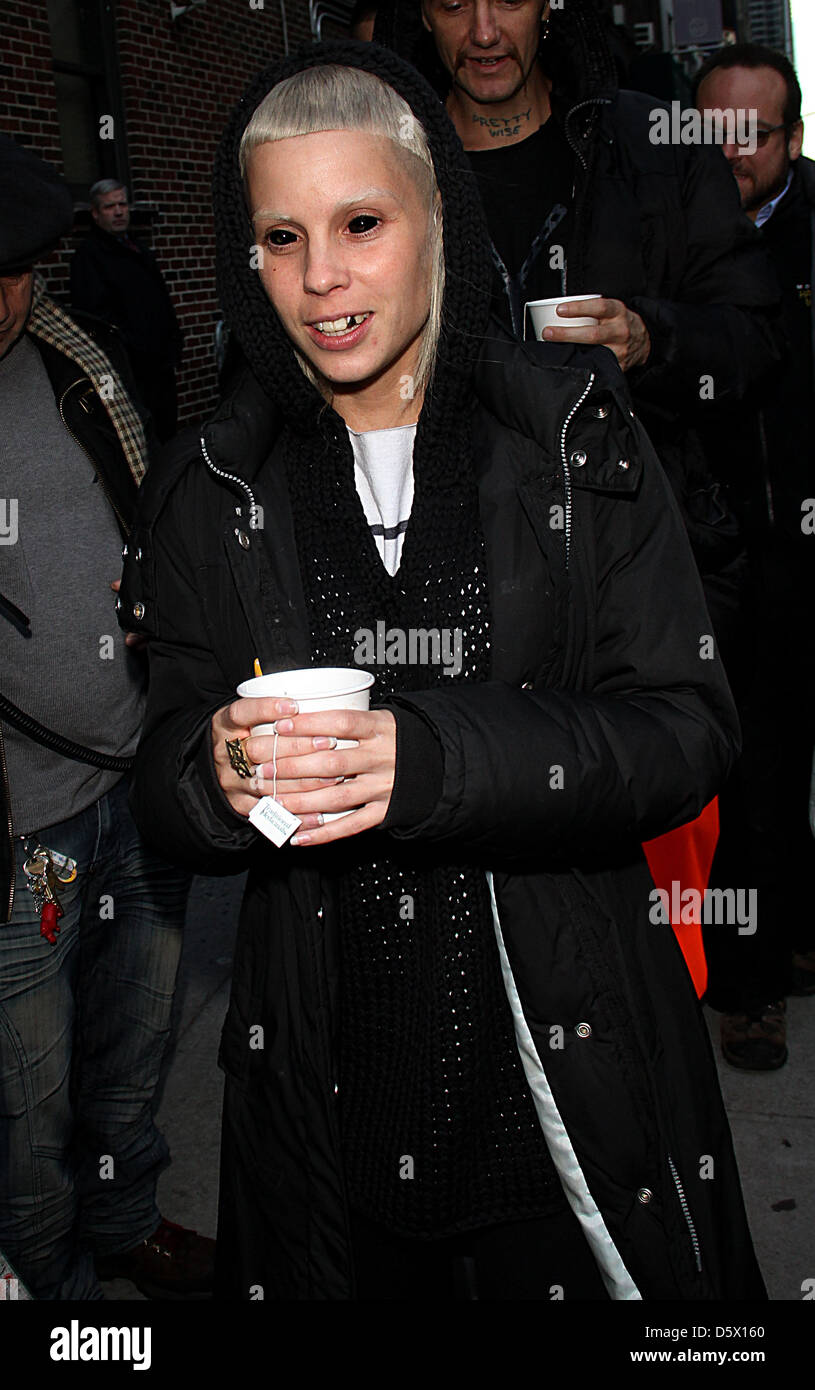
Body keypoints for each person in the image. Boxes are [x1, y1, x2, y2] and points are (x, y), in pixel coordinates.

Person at [120, 41, 765, 1301]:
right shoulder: (215, 483)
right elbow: (163, 784)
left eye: (361, 222)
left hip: (564, 1081)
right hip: (328, 1087)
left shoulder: (570, 430)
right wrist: (214, 767)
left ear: (438, 222)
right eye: (279, 236)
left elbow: (686, 727)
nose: (321, 278)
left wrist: (436, 759)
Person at [373, 0, 782, 652]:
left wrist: (651, 338)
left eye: (508, 0)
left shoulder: (657, 144)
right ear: (421, 14)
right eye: (453, 3)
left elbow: (756, 339)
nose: (482, 31)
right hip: (465, 594)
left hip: (653, 584)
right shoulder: (383, 164)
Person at [0, 136, 212, 1299]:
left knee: (132, 1046)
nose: (1, 296)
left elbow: (143, 506)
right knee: (27, 1105)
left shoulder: (73, 353)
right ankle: (49, 1286)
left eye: (17, 267)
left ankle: (126, 1218)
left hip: (137, 778)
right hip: (23, 836)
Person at [693, 45, 815, 1067]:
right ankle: (747, 982)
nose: (730, 151)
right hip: (727, 563)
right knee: (750, 774)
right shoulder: (666, 241)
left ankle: (799, 934)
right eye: (712, 129)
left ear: (792, 139)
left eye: (753, 132)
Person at [70, 180, 183, 443]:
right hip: (130, 373)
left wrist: (173, 342)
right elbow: (96, 319)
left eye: (122, 204)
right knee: (143, 440)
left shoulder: (139, 250)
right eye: (110, 207)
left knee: (166, 433)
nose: (119, 211)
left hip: (160, 366)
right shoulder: (90, 257)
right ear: (96, 214)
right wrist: (133, 350)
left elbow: (161, 302)